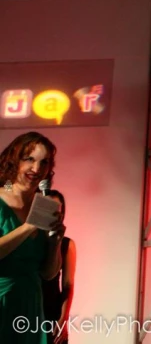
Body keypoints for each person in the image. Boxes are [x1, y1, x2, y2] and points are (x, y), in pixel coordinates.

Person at [0, 132, 65, 344]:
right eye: (29, 159)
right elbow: (7, 186)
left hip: (30, 305)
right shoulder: (2, 195)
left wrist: (54, 244)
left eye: (44, 162)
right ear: (14, 159)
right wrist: (29, 226)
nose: (37, 169)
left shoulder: (44, 204)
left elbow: (48, 274)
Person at [41, 190, 76, 344]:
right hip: (26, 304)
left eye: (57, 209)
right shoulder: (28, 240)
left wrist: (63, 319)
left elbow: (68, 284)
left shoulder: (66, 244)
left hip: (51, 310)